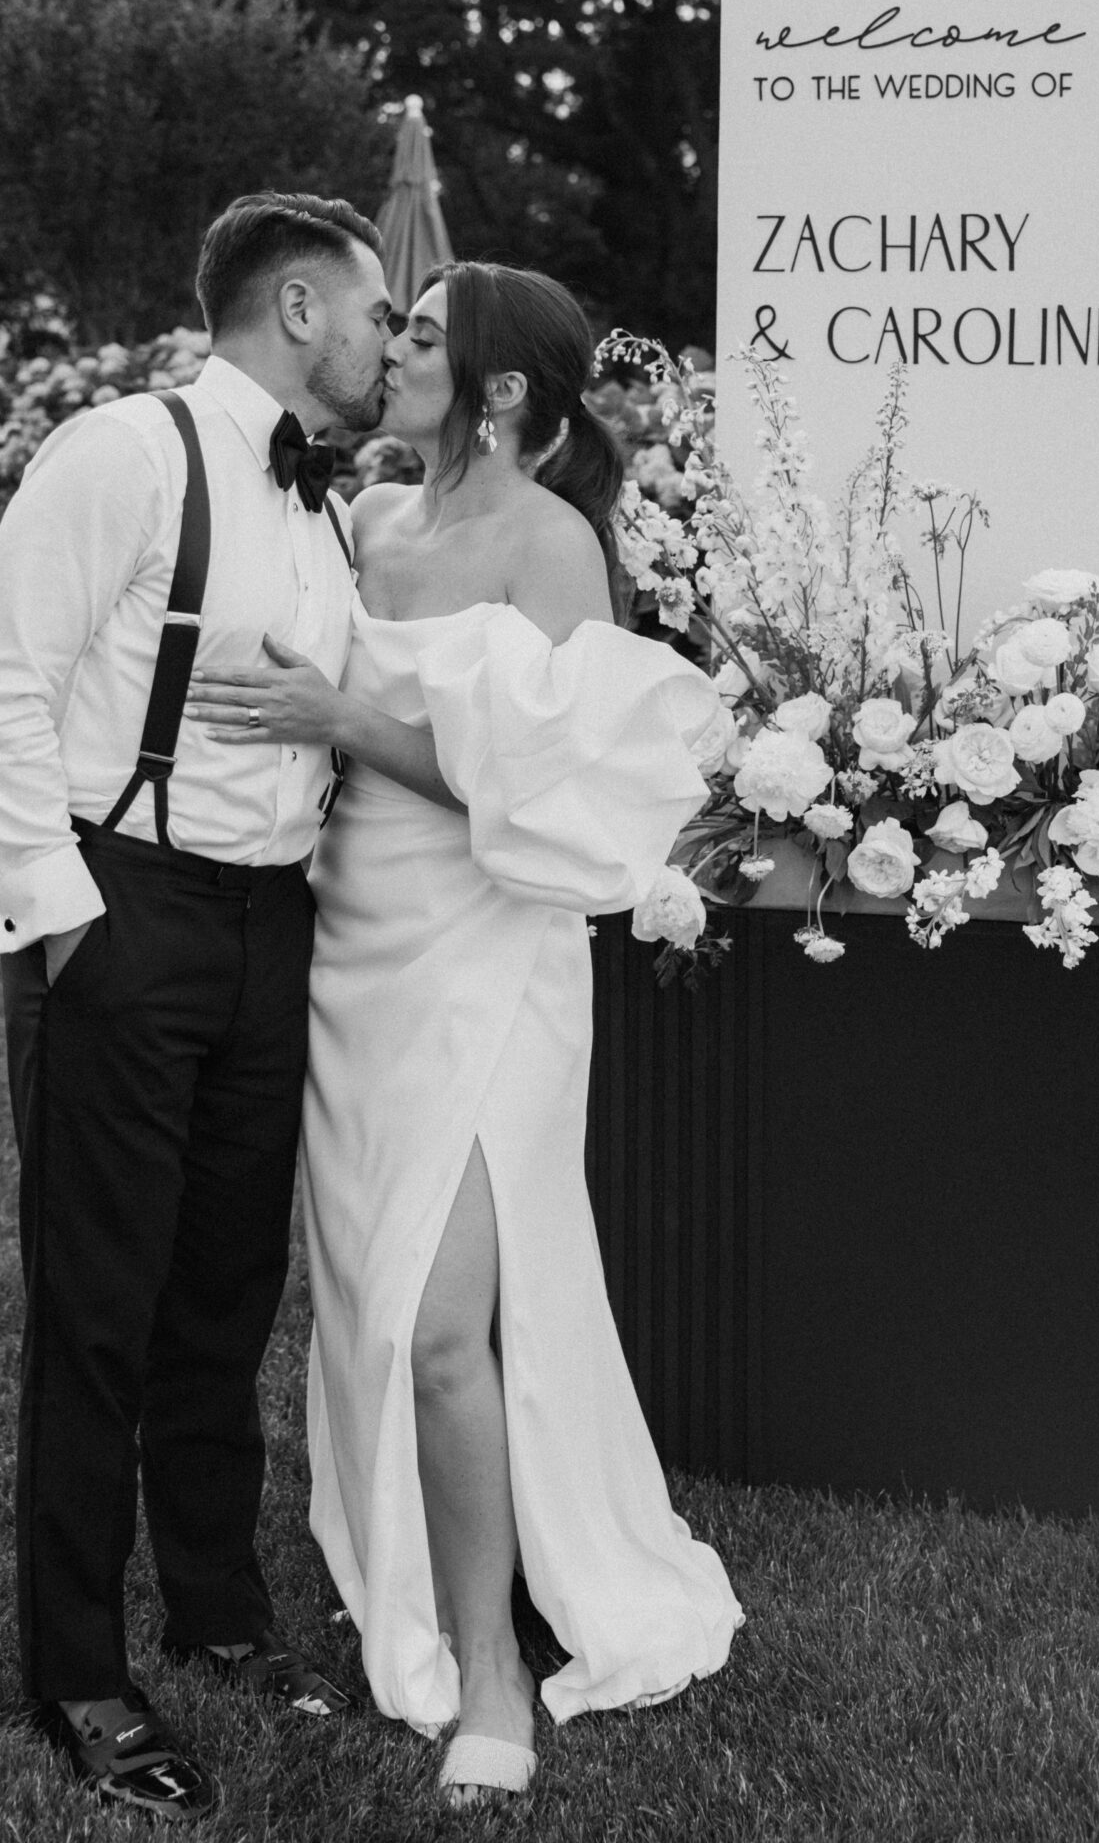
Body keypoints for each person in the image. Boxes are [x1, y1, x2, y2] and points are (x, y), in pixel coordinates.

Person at [185, 260, 740, 1810]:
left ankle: (493, 1673)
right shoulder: (363, 520)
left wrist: (346, 724)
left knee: (443, 1328)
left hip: (487, 961)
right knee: (369, 1306)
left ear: (500, 391)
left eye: (424, 336)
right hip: (346, 951)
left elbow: (567, 809)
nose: (393, 349)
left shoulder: (552, 545)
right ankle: (417, 1581)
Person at [0, 192, 409, 1824]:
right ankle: (78, 1668)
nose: (386, 341)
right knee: (100, 1308)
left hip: (271, 926)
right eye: (373, 315)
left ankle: (218, 1614)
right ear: (296, 308)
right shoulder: (122, 454)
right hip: (120, 914)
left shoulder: (325, 507)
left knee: (225, 1292)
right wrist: (67, 930)